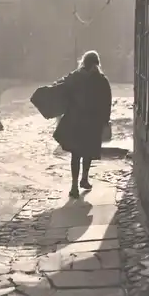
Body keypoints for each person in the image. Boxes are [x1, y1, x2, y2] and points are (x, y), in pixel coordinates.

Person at [53, 50, 112, 198]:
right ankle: (83, 179)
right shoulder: (101, 80)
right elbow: (107, 102)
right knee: (87, 152)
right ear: (96, 63)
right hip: (92, 122)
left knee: (76, 154)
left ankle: (75, 185)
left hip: (75, 121)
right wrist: (105, 120)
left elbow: (60, 89)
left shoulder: (75, 77)